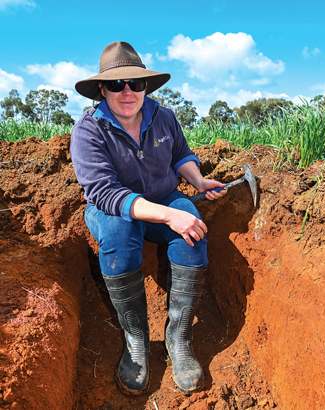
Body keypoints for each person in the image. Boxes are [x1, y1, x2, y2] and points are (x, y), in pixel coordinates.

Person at [70, 41, 226, 395]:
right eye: (116, 84)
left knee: (193, 234)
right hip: (111, 209)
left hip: (163, 197)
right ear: (102, 89)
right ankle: (136, 338)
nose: (127, 92)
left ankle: (179, 336)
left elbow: (180, 155)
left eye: (135, 84)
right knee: (119, 236)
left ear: (145, 86)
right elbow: (105, 194)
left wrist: (199, 181)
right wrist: (170, 215)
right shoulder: (89, 130)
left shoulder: (164, 116)